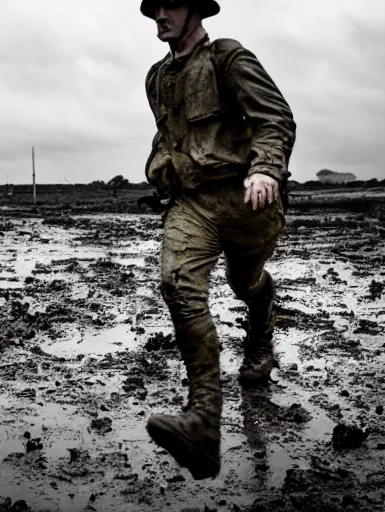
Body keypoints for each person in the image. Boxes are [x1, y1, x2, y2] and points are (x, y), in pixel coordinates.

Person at [138, 0, 296, 479]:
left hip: (249, 201)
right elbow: (170, 137)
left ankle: (261, 332)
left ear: (195, 11)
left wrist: (266, 169)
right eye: (154, 9)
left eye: (171, 6)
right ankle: (203, 421)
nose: (160, 16)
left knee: (245, 283)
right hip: (194, 204)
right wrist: (160, 171)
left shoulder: (229, 58)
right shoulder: (156, 78)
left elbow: (276, 118)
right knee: (177, 282)